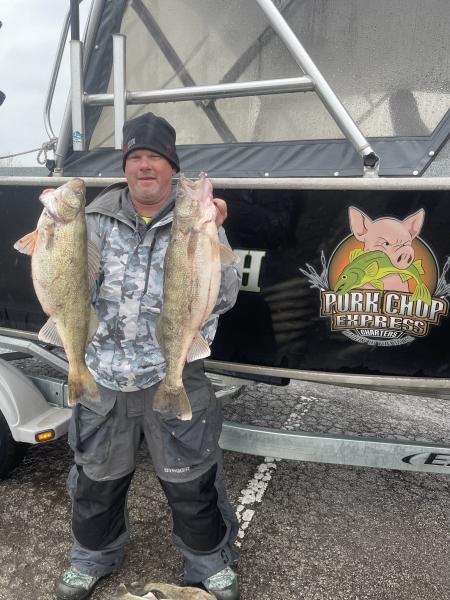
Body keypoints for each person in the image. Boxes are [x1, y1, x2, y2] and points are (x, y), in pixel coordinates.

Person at [56, 112, 241, 600]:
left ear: (172, 168)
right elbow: (69, 288)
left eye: (155, 158)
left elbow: (225, 297)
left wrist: (214, 234)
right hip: (103, 375)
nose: (144, 166)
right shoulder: (93, 218)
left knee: (192, 478)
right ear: (125, 166)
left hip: (174, 370)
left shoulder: (197, 219)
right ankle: (92, 557)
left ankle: (207, 561)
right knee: (96, 479)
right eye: (135, 157)